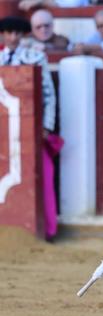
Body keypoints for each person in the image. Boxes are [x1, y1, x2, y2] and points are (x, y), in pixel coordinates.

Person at [0, 16, 60, 241]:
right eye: (8, 32)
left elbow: (48, 95)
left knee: (43, 175)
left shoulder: (35, 57)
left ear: (23, 35)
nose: (13, 37)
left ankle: (48, 230)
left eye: (17, 33)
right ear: (3, 35)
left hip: (30, 130)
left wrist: (46, 126)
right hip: (2, 131)